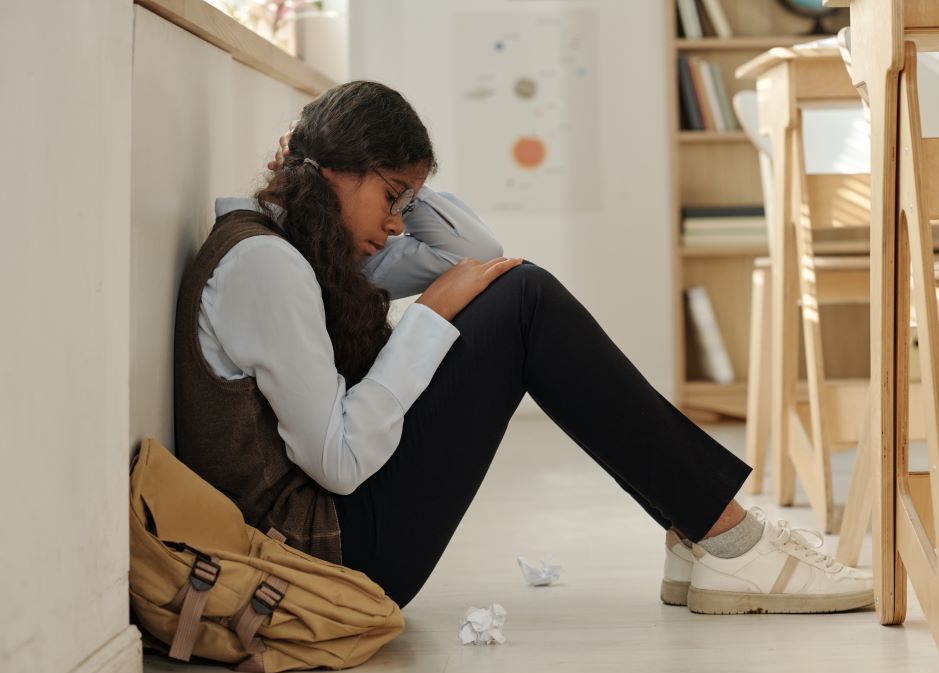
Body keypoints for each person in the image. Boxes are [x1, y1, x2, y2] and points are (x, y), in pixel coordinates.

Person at [173, 80, 872, 616]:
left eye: (404, 202)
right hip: (328, 552)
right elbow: (340, 462)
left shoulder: (315, 249)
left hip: (339, 531)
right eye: (390, 195)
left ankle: (702, 532)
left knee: (520, 293)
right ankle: (727, 540)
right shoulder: (268, 266)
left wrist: (402, 191)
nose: (394, 225)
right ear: (331, 170)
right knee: (526, 300)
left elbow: (475, 252)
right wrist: (429, 320)